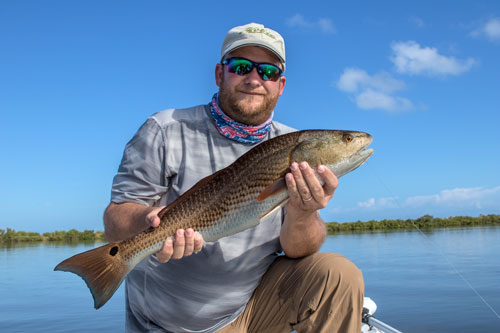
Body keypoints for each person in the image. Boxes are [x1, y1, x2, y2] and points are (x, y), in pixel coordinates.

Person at [104, 23, 364, 333]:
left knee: (337, 273)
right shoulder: (166, 129)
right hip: (170, 324)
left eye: (267, 72)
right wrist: (149, 221)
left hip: (255, 310)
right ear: (219, 74)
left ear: (280, 85)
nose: (254, 79)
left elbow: (297, 250)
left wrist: (303, 211)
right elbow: (114, 221)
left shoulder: (292, 143)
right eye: (241, 67)